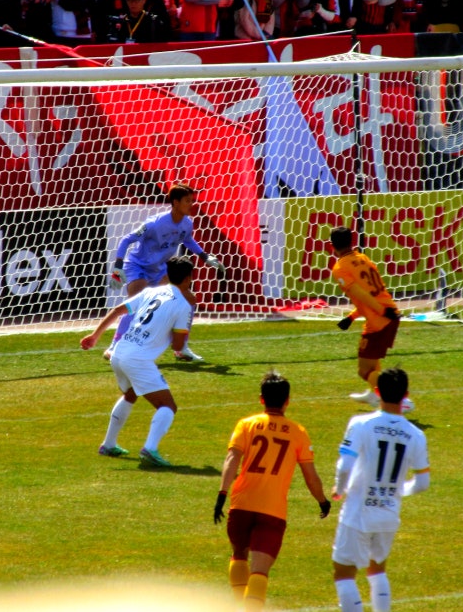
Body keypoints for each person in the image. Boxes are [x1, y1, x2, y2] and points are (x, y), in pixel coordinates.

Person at [213, 370, 330, 611]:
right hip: (272, 510)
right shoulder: (297, 432)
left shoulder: (246, 425)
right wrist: (322, 500)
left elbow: (231, 459)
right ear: (287, 400)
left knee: (238, 555)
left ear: (261, 399)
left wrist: (222, 495)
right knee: (259, 571)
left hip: (241, 503)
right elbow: (310, 475)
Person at [80, 256, 196, 468]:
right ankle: (150, 449)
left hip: (119, 352)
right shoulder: (183, 306)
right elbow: (178, 347)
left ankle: (108, 444)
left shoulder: (150, 292)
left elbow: (118, 310)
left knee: (131, 394)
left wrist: (95, 336)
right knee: (167, 406)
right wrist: (178, 329)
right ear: (189, 278)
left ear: (167, 275)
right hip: (137, 359)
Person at [331, 366, 430, 612]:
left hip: (358, 512)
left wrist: (339, 489)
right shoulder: (416, 434)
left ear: (376, 391)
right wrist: (397, 491)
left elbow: (345, 465)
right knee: (377, 570)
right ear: (406, 394)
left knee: (344, 573)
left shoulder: (361, 424)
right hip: (388, 513)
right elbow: (422, 483)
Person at [107, 183, 224, 362]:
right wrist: (118, 266)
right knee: (135, 304)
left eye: (192, 200)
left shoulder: (187, 223)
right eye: (187, 201)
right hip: (138, 266)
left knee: (188, 299)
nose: (191, 204)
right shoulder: (154, 224)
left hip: (160, 269)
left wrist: (205, 256)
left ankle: (181, 347)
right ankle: (115, 346)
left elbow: (188, 240)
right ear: (175, 202)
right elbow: (126, 240)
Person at [329, 226, 412, 412]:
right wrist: (351, 317)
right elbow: (372, 292)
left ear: (331, 245)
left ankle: (401, 400)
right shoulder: (362, 257)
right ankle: (373, 392)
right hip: (386, 313)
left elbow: (362, 295)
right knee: (373, 363)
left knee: (364, 370)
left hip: (380, 319)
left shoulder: (340, 268)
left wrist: (381, 311)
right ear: (351, 241)